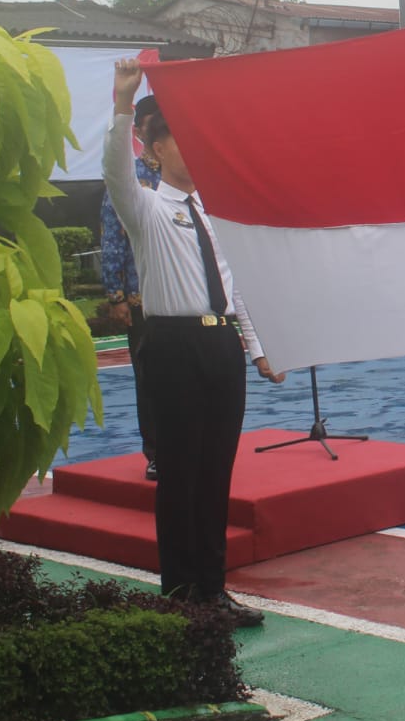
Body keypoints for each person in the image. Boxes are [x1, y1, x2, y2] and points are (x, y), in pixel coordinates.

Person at [104, 58, 285, 627]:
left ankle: (213, 590)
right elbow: (114, 173)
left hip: (220, 347)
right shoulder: (147, 208)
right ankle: (182, 596)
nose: (194, 151)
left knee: (215, 475)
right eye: (180, 141)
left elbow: (234, 291)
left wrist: (258, 349)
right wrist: (122, 104)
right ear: (154, 149)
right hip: (174, 347)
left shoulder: (211, 212)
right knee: (180, 476)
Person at [100, 93, 163, 482]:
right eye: (151, 125)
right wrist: (116, 295)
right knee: (149, 376)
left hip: (184, 300)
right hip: (142, 298)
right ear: (139, 131)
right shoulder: (129, 180)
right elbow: (113, 239)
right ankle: (156, 450)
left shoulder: (185, 177)